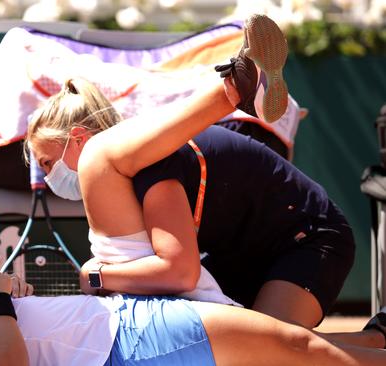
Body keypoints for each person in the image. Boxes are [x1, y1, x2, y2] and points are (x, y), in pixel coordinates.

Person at [25, 13, 354, 331]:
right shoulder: (132, 159)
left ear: (78, 139)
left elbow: (178, 272)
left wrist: (96, 276)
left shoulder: (146, 165)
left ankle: (239, 84)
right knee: (265, 347)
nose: (49, 177)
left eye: (47, 163)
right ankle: (377, 335)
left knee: (274, 352)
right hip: (237, 251)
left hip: (307, 236)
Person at [0, 228, 386, 366]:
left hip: (124, 329)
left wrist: (5, 299)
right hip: (129, 343)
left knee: (299, 349)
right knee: (301, 353)